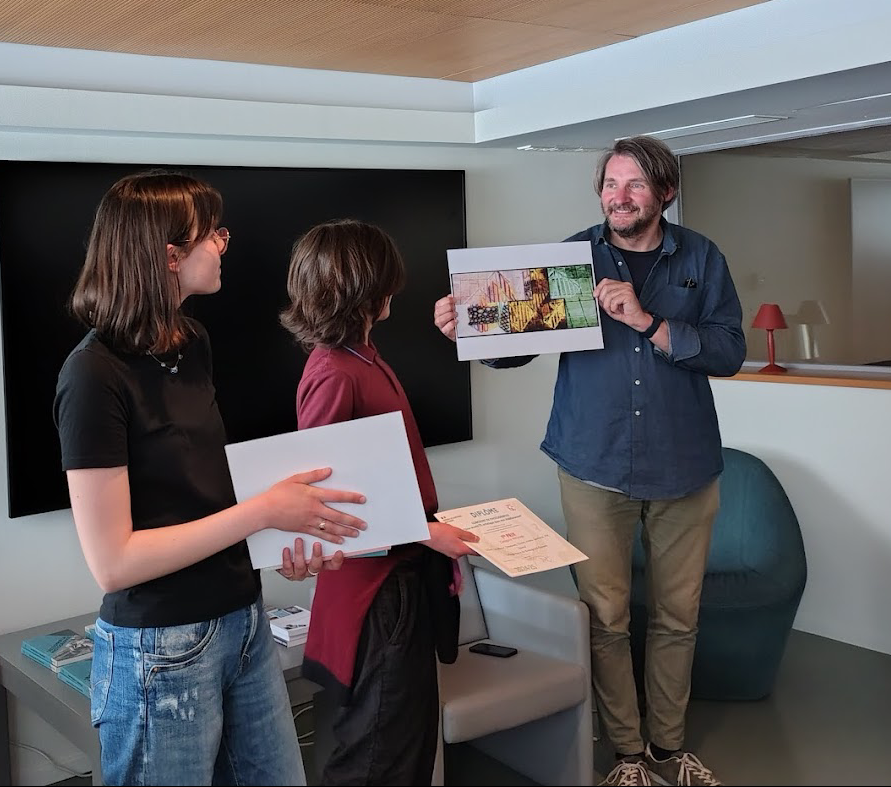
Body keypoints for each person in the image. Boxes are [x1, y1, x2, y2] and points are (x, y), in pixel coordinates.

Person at [434, 136, 745, 787]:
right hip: (592, 464)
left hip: (685, 466)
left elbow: (728, 351)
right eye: (610, 184)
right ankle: (628, 756)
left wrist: (649, 322)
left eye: (635, 185)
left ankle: (668, 748)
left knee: (678, 616)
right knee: (604, 617)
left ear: (664, 192)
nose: (618, 197)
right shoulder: (571, 258)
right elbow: (514, 345)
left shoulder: (701, 257)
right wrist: (470, 326)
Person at [53, 170, 369, 786]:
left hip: (242, 620)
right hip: (161, 649)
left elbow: (203, 494)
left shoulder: (190, 340)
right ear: (170, 255)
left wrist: (280, 540)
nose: (224, 244)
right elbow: (113, 563)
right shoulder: (92, 375)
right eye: (213, 234)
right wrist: (264, 513)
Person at [280, 219, 479, 786]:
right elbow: (324, 500)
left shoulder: (363, 357)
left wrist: (430, 532)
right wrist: (426, 532)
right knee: (377, 761)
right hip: (376, 596)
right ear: (366, 288)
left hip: (400, 580)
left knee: (405, 749)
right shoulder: (335, 372)